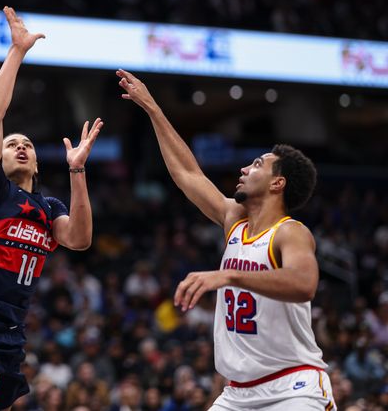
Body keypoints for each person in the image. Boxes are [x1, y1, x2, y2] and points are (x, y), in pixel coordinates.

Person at [117, 69, 336, 410]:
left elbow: (305, 283)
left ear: (277, 184)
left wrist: (229, 275)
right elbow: (188, 173)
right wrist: (153, 109)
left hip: (293, 387)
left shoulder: (290, 232)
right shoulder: (234, 219)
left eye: (258, 165)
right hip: (236, 393)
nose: (245, 169)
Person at [0, 7, 103, 411]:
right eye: (12, 144)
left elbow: (79, 239)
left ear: (38, 163)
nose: (21, 146)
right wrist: (17, 51)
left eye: (27, 143)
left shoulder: (49, 207)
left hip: (12, 334)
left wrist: (77, 169)